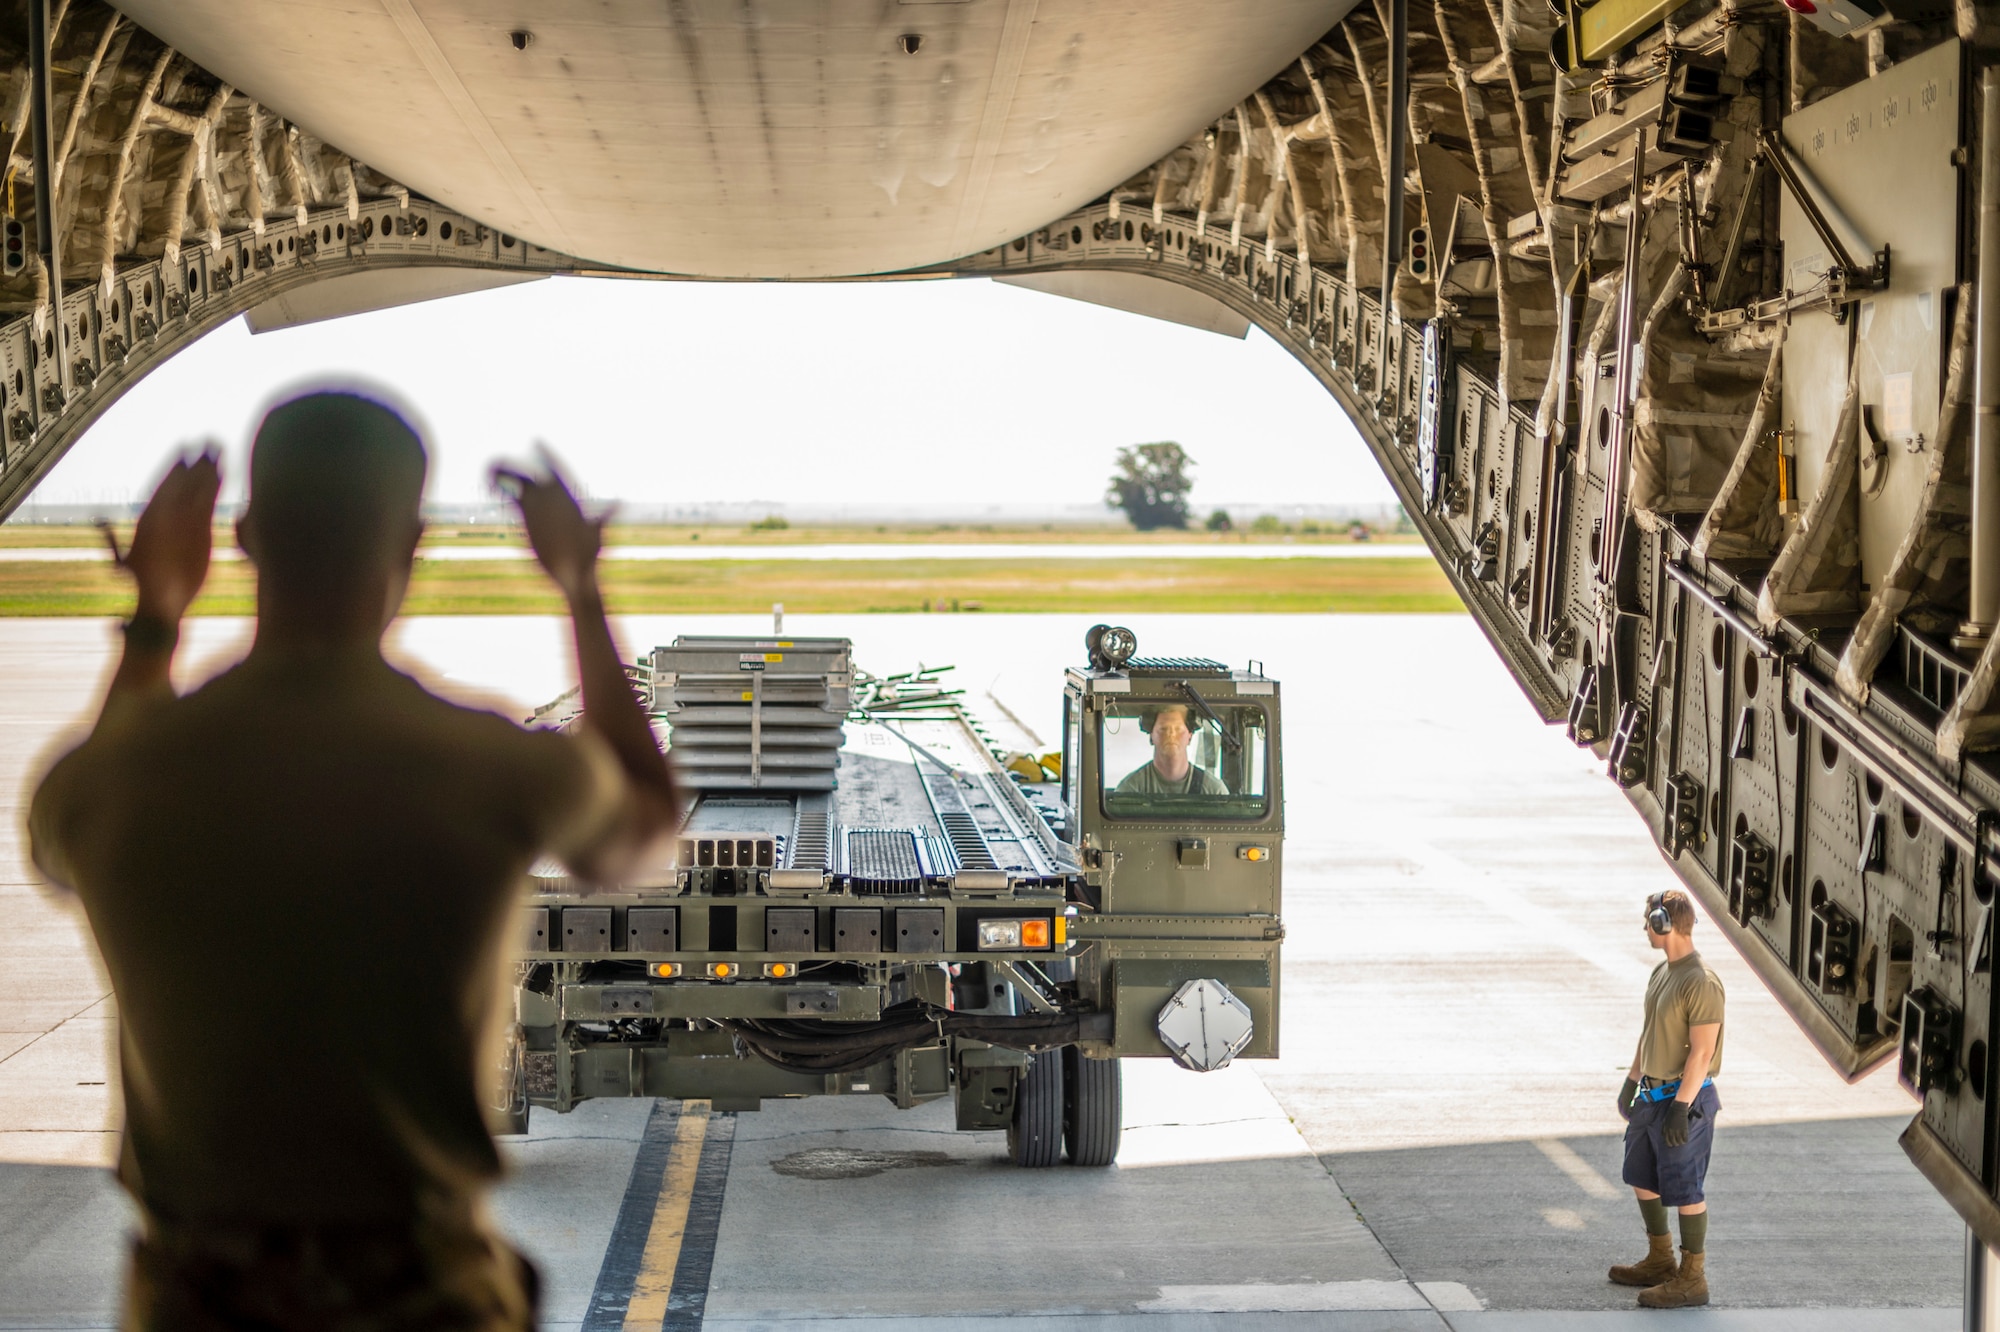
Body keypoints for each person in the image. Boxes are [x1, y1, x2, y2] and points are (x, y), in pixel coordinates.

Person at [27, 391, 681, 1331]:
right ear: (411, 545)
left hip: (197, 1299)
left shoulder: (107, 783)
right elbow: (648, 829)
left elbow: (73, 836)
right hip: (418, 1292)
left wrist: (156, 611)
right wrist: (580, 587)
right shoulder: (488, 765)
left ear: (244, 536)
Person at [1610, 888, 1725, 1309]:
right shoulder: (1662, 973)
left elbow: (1702, 1052)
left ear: (1665, 923)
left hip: (1684, 1100)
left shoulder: (1701, 982)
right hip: (1651, 1095)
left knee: (1686, 1188)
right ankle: (1661, 1260)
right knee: (1641, 1175)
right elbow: (1650, 1032)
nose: (1645, 927)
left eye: (1649, 920)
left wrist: (1681, 1107)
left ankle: (1692, 1278)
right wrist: (1631, 1079)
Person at [1113, 703, 1227, 796]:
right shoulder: (1131, 789)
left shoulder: (1214, 791)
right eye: (1163, 729)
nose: (1171, 735)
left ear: (1190, 736)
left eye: (1178, 729)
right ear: (1151, 735)